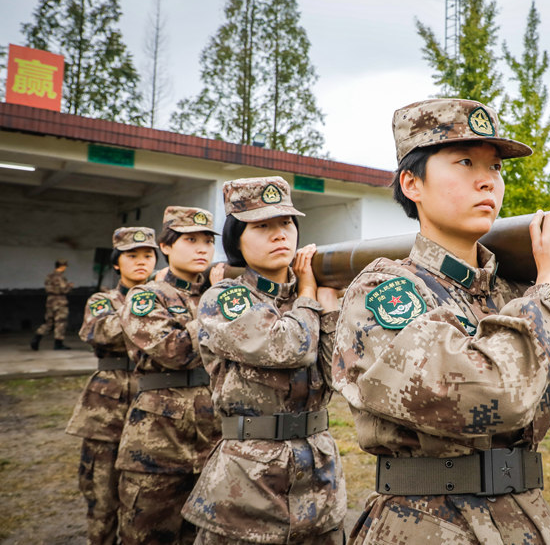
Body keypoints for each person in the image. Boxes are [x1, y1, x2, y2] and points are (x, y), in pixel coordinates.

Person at [332, 98, 550, 544]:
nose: (487, 180)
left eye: (495, 167)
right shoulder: (385, 292)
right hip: (426, 528)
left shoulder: (516, 294)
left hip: (525, 525)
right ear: (412, 183)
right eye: (465, 162)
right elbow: (491, 396)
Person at [182, 176, 347, 544]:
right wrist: (308, 295)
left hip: (317, 476)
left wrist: (330, 305)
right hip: (248, 481)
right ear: (236, 239)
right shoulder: (226, 298)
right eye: (262, 226)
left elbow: (338, 373)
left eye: (286, 223)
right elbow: (289, 347)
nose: (279, 235)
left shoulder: (308, 296)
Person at [115, 206, 223, 545]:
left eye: (207, 240)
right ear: (166, 247)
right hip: (156, 444)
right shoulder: (145, 296)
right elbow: (175, 352)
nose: (202, 248)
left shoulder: (219, 293)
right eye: (190, 240)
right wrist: (216, 303)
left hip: (214, 440)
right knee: (146, 535)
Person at [66, 227, 158, 545]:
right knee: (103, 501)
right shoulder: (102, 300)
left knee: (149, 506)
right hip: (109, 413)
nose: (141, 262)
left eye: (148, 255)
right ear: (117, 263)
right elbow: (103, 332)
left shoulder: (169, 297)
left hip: (156, 412)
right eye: (132, 256)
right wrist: (151, 308)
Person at [31, 258, 74, 350]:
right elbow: (63, 289)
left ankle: (36, 338)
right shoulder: (60, 277)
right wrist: (69, 286)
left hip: (50, 300)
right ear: (62, 266)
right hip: (59, 301)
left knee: (48, 322)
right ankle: (58, 343)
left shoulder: (49, 276)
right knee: (60, 322)